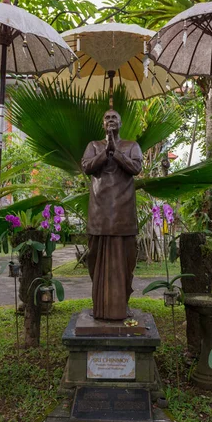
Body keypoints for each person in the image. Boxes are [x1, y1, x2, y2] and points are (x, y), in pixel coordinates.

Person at [81, 110, 143, 320]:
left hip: (123, 213)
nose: (110, 120)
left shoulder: (131, 146)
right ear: (102, 123)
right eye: (106, 117)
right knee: (95, 259)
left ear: (121, 122)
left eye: (114, 117)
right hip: (99, 212)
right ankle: (99, 306)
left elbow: (135, 168)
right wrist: (105, 150)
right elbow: (86, 167)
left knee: (127, 262)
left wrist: (115, 151)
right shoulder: (93, 145)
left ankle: (123, 304)